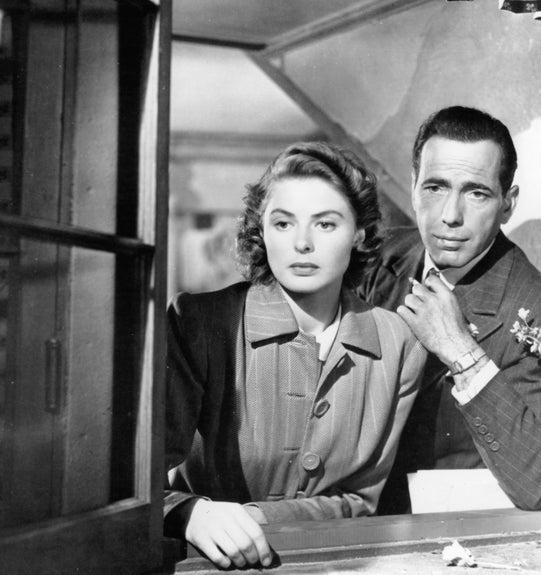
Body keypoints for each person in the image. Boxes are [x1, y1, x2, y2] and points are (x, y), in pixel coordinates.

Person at [164, 142, 427, 569]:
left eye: (325, 224)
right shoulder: (200, 322)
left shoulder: (398, 342)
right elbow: (136, 491)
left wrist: (257, 517)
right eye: (283, 223)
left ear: (359, 233)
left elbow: (361, 500)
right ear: (260, 231)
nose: (302, 243)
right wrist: (191, 514)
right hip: (207, 565)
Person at [359, 106, 541, 514]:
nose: (450, 216)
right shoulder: (380, 255)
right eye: (435, 187)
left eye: (476, 192)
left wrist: (462, 352)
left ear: (507, 204)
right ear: (413, 187)